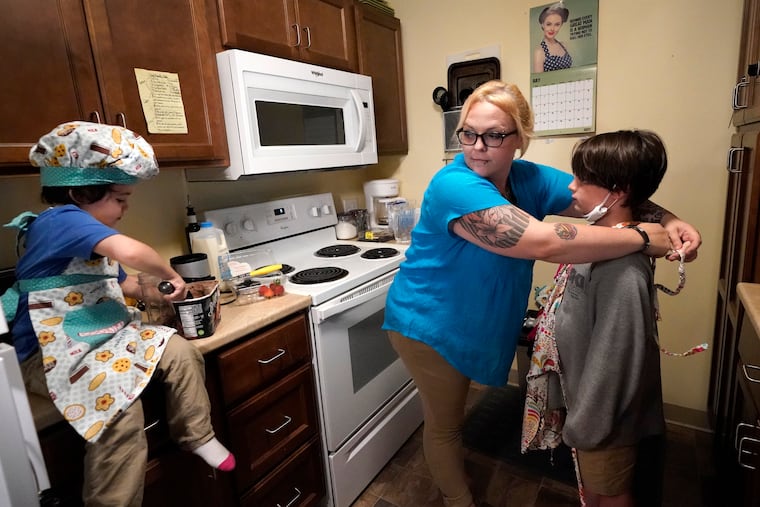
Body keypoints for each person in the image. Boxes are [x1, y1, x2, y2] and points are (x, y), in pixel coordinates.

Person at [382, 81, 701, 507]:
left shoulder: (527, 177)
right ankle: (459, 502)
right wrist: (643, 237)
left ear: (520, 140)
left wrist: (671, 218)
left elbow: (602, 194)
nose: (478, 147)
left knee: (454, 419)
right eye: (468, 133)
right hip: (428, 322)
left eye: (494, 135)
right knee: (446, 425)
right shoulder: (453, 185)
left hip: (475, 319)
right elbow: (544, 242)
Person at [1, 121, 235, 506]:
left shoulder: (86, 232)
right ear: (81, 191)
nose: (126, 208)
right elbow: (131, 253)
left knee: (180, 352)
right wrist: (169, 273)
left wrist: (162, 293)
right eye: (120, 198)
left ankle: (197, 435)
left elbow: (122, 282)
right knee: (118, 411)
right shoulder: (60, 220)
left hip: (101, 338)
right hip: (48, 354)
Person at [552, 130, 674, 506]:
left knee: (609, 493)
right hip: (590, 410)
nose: (571, 187)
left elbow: (615, 363)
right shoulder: (600, 241)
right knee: (593, 489)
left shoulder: (623, 272)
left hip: (604, 424)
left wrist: (585, 426)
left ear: (617, 192)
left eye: (582, 180)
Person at [533, 2, 573, 73]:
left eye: (557, 24)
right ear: (542, 24)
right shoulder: (539, 52)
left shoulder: (563, 45)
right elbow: (539, 83)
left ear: (561, 25)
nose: (552, 28)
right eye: (549, 24)